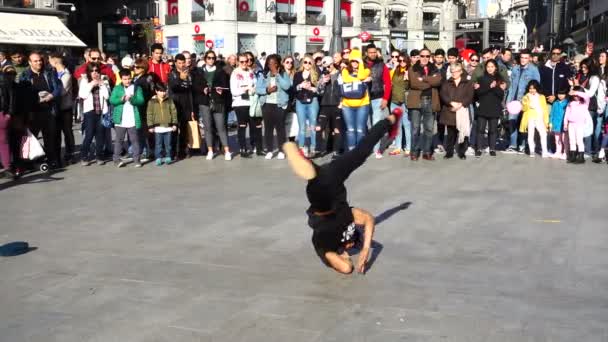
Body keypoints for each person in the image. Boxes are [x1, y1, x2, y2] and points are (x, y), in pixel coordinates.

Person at [282, 108, 402, 274]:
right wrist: (363, 250)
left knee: (357, 154)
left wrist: (355, 254)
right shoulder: (349, 217)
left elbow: (346, 267)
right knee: (361, 151)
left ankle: (306, 163)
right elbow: (369, 219)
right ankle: (391, 118)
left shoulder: (324, 243)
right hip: (332, 188)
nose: (352, 245)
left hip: (323, 210)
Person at [20, 52, 63, 168]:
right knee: (30, 138)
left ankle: (52, 160)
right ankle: (29, 162)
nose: (39, 63)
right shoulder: (24, 75)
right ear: (30, 62)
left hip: (49, 110)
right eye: (35, 61)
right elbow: (22, 94)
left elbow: (59, 87)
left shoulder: (49, 72)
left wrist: (51, 96)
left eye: (40, 60)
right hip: (33, 112)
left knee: (50, 138)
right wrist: (34, 98)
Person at [193, 50, 232, 161]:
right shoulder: (199, 71)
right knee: (208, 127)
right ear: (205, 59)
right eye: (209, 58)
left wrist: (221, 90)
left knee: (221, 127)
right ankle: (210, 150)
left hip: (218, 101)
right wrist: (203, 89)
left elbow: (226, 86)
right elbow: (196, 86)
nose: (211, 60)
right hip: (204, 102)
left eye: (213, 58)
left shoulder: (221, 71)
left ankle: (227, 150)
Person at [407, 48, 442, 161]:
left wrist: (424, 78)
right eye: (422, 56)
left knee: (429, 128)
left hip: (430, 100)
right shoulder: (412, 68)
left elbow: (438, 81)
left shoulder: (434, 68)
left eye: (427, 56)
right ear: (419, 56)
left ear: (430, 57)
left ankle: (427, 152)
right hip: (417, 101)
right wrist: (430, 82)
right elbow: (415, 83)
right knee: (415, 129)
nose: (425, 58)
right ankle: (414, 152)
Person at [256, 54, 292, 160]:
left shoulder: (283, 73)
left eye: (275, 63)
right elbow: (258, 89)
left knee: (280, 128)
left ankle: (281, 150)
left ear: (278, 64)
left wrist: (277, 75)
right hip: (267, 104)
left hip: (279, 104)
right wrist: (267, 90)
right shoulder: (263, 75)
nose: (272, 65)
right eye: (270, 63)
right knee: (268, 128)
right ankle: (270, 150)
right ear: (267, 63)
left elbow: (287, 86)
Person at [505, 49, 540, 154]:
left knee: (524, 123)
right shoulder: (515, 69)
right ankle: (513, 144)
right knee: (512, 122)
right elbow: (511, 86)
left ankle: (523, 145)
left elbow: (537, 86)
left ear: (529, 58)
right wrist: (508, 100)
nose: (523, 60)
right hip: (514, 101)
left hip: (526, 102)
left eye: (526, 58)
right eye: (522, 57)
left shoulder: (534, 70)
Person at [109, 69, 145, 168]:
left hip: (133, 118)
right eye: (125, 79)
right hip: (120, 119)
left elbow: (141, 101)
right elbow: (112, 100)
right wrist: (121, 100)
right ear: (121, 79)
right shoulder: (117, 88)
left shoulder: (137, 88)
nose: (127, 81)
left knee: (135, 140)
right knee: (119, 140)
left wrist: (133, 99)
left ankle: (137, 160)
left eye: (129, 78)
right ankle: (116, 159)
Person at [439, 63, 474, 159]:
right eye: (452, 71)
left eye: (456, 71)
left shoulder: (467, 82)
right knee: (451, 133)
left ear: (461, 71)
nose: (454, 73)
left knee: (463, 132)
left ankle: (461, 152)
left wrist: (461, 104)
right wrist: (451, 102)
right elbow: (443, 94)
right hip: (450, 110)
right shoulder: (447, 82)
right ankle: (449, 152)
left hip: (462, 111)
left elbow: (470, 96)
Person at [78, 63, 110, 166]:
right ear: (89, 72)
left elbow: (107, 96)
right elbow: (82, 95)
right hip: (89, 112)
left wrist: (101, 84)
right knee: (89, 135)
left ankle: (99, 156)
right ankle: (84, 156)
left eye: (97, 70)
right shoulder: (85, 81)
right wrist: (91, 84)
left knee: (100, 135)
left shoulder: (104, 80)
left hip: (101, 111)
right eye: (92, 71)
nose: (95, 73)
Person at [573, 58, 606, 158]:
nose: (583, 69)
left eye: (585, 67)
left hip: (591, 106)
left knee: (588, 129)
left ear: (590, 67)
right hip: (580, 105)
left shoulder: (594, 78)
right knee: (580, 127)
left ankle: (589, 150)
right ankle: (581, 149)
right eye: (582, 67)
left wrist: (579, 87)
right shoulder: (582, 75)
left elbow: (591, 93)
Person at [340, 48, 371, 152]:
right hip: (347, 104)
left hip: (362, 104)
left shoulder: (366, 70)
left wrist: (361, 65)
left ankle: (360, 151)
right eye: (352, 60)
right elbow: (347, 80)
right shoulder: (345, 70)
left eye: (356, 60)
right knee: (350, 130)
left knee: (360, 129)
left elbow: (362, 75)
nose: (354, 63)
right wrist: (361, 80)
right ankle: (351, 151)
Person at [364, 44, 392, 158]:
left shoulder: (382, 65)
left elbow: (388, 83)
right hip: (363, 98)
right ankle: (366, 148)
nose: (373, 54)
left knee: (376, 125)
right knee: (366, 124)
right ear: (366, 53)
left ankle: (376, 150)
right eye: (370, 52)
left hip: (378, 97)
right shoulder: (361, 64)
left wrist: (385, 98)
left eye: (374, 52)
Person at [475, 59, 507, 157]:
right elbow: (478, 93)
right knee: (480, 129)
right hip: (483, 106)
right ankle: (479, 148)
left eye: (492, 66)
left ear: (496, 68)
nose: (490, 68)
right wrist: (489, 87)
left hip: (495, 107)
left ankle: (492, 148)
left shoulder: (500, 79)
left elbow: (501, 95)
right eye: (488, 66)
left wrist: (496, 87)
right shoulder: (481, 78)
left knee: (493, 130)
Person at [230, 53, 258, 157]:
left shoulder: (251, 72)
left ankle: (253, 145)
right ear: (238, 62)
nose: (244, 63)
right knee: (242, 126)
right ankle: (243, 148)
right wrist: (244, 89)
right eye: (242, 61)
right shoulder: (235, 73)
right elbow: (234, 91)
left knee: (253, 125)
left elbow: (255, 84)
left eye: (246, 61)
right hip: (240, 103)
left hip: (251, 101)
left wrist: (254, 88)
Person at [168, 53, 196, 159]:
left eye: (183, 62)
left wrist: (192, 108)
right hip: (175, 104)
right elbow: (173, 87)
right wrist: (180, 78)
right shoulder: (172, 74)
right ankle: (172, 151)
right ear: (175, 63)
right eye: (179, 63)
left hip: (186, 106)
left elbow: (190, 92)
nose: (181, 65)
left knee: (184, 129)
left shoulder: (188, 74)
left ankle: (182, 151)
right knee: (174, 129)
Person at [49, 53, 75, 165]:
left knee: (67, 132)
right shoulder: (53, 73)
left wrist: (49, 94)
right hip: (55, 108)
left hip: (65, 108)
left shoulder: (66, 74)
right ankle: (56, 155)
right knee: (56, 133)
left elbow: (62, 92)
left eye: (49, 60)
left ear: (55, 61)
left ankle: (70, 154)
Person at [293, 55, 320, 157]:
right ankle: (302, 148)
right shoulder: (297, 74)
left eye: (310, 62)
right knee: (302, 127)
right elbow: (294, 89)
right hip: (300, 101)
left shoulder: (316, 74)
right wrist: (300, 86)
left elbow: (320, 89)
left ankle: (313, 148)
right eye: (305, 62)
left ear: (312, 64)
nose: (307, 64)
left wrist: (313, 89)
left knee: (313, 126)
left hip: (313, 100)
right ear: (302, 63)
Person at [316, 59, 343, 158]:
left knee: (336, 129)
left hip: (337, 105)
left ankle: (336, 151)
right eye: (325, 67)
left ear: (333, 64)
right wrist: (322, 82)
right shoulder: (323, 75)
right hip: (325, 105)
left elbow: (343, 89)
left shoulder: (340, 74)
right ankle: (318, 149)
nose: (327, 68)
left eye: (328, 66)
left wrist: (342, 102)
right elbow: (318, 92)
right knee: (319, 128)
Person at [147, 83, 177, 166]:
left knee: (168, 144)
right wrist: (150, 125)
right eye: (160, 91)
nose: (162, 93)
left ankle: (168, 156)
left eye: (164, 91)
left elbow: (174, 112)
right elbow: (149, 114)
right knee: (158, 144)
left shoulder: (169, 100)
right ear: (156, 91)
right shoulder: (152, 101)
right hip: (157, 127)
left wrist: (174, 123)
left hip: (168, 127)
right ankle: (158, 158)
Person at [388, 53, 411, 156]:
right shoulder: (395, 70)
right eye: (400, 60)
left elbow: (410, 86)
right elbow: (389, 82)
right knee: (397, 125)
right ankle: (398, 147)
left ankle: (408, 147)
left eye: (404, 61)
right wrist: (394, 67)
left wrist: (408, 78)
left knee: (406, 125)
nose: (401, 62)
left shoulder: (410, 71)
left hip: (404, 102)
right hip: (394, 101)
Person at [519, 80, 549, 158]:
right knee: (530, 135)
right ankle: (532, 151)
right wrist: (526, 102)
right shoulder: (526, 97)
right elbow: (524, 109)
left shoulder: (541, 97)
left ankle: (544, 151)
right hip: (530, 117)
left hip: (539, 117)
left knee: (543, 134)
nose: (532, 90)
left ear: (537, 88)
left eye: (534, 88)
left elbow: (545, 109)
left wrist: (546, 121)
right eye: (530, 88)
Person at [564, 88, 591, 164]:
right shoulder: (570, 103)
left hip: (580, 124)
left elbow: (587, 96)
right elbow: (567, 114)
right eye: (574, 95)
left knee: (579, 140)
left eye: (577, 95)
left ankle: (581, 157)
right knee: (572, 140)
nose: (575, 96)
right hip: (571, 124)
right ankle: (572, 156)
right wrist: (565, 123)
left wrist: (575, 91)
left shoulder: (585, 103)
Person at [0, 66, 15, 175]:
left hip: (2, 114)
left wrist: (9, 114)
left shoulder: (4, 80)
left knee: (3, 142)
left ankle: (7, 167)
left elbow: (11, 97)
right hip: (4, 113)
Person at [548, 88, 569, 160]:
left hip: (564, 125)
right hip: (556, 125)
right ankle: (558, 152)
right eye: (559, 94)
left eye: (562, 94)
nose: (560, 95)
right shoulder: (555, 103)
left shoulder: (567, 103)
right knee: (557, 139)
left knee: (564, 139)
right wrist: (550, 122)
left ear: (565, 94)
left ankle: (566, 152)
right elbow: (552, 114)